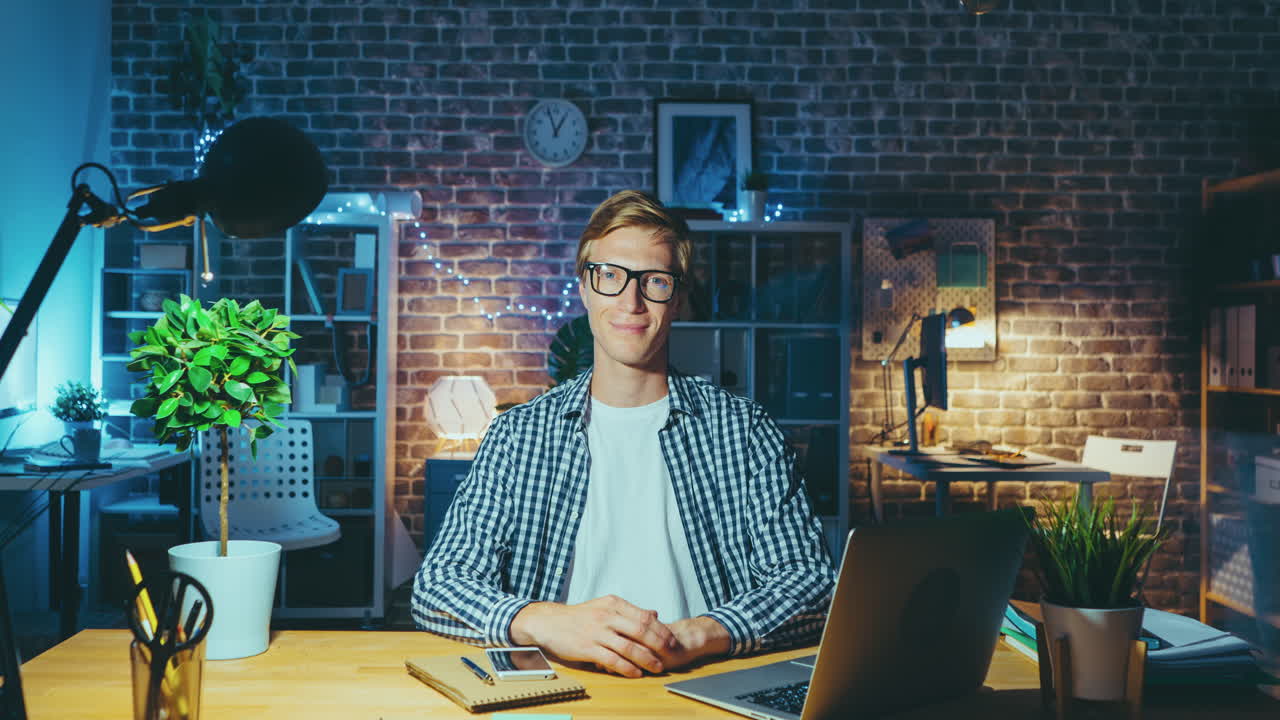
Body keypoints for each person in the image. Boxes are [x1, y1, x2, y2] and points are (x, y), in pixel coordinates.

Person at [412, 190, 834, 678]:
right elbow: (438, 586)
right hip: (558, 692)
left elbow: (811, 583)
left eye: (654, 281)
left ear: (676, 299)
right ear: (586, 288)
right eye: (610, 276)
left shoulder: (741, 431)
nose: (630, 301)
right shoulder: (519, 436)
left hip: (702, 689)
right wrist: (546, 621)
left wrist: (698, 633)